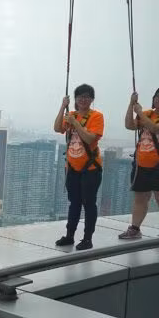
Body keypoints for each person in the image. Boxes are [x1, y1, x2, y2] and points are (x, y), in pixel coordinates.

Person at [119, 85, 159, 239]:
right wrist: (131, 104)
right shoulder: (147, 114)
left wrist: (139, 112)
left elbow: (156, 128)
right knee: (140, 198)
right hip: (142, 163)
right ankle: (135, 228)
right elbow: (129, 125)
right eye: (157, 96)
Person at [53, 84, 104, 250]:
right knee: (74, 202)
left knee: (89, 203)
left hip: (90, 168)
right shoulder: (71, 115)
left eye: (87, 97)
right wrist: (63, 106)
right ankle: (69, 236)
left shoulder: (96, 116)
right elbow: (57, 128)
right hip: (72, 167)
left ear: (92, 99)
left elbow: (90, 139)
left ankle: (87, 238)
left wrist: (75, 122)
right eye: (80, 96)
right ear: (75, 99)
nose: (83, 99)